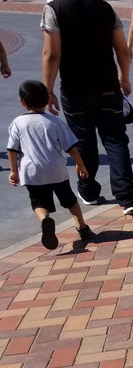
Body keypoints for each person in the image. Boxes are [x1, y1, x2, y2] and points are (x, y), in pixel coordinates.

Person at [41, 0, 133, 216]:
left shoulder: (54, 10)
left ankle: (88, 190)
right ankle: (127, 196)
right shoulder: (104, 8)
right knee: (116, 140)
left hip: (75, 89)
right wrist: (125, 77)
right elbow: (122, 50)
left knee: (84, 142)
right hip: (108, 84)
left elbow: (52, 54)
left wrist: (47, 89)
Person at [7, 80, 95, 249]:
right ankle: (83, 228)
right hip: (56, 169)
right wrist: (80, 164)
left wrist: (13, 171)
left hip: (31, 171)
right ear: (47, 100)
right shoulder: (55, 122)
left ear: (22, 102)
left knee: (38, 202)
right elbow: (70, 146)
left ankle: (45, 220)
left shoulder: (18, 123)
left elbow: (12, 149)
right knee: (69, 199)